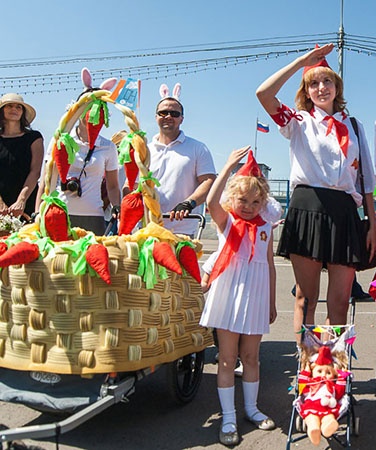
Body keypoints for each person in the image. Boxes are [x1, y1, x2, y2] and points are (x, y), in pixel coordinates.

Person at [256, 43, 376, 340]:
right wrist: (300, 61)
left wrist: (373, 225)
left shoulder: (354, 126)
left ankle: (332, 371)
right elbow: (263, 94)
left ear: (337, 87)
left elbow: (367, 181)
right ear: (306, 90)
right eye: (313, 83)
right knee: (306, 298)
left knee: (339, 302)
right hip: (307, 208)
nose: (321, 87)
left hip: (344, 212)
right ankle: (308, 370)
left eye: (327, 81)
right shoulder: (297, 122)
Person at [199, 146, 277, 446]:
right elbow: (209, 201)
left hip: (256, 294)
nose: (248, 206)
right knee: (228, 359)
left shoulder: (267, 228)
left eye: (256, 202)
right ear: (234, 198)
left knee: (251, 357)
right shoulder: (226, 222)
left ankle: (252, 409)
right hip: (229, 293)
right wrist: (229, 166)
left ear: (263, 203)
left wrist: (270, 301)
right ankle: (229, 417)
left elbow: (269, 266)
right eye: (243, 200)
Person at [146, 84, 216, 237]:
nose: (168, 116)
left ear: (182, 118)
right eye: (163, 112)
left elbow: (209, 181)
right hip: (148, 227)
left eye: (174, 113)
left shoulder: (198, 148)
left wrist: (189, 203)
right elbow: (129, 184)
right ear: (156, 116)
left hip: (182, 229)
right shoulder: (145, 150)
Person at [36, 118, 120, 236]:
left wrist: (116, 206)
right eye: (87, 108)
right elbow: (46, 181)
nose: (91, 115)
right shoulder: (59, 140)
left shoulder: (108, 147)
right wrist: (37, 213)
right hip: (60, 213)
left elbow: (113, 186)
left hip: (94, 215)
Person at [0, 93, 44, 219]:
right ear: (2, 111)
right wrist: (0, 203)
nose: (14, 109)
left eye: (18, 107)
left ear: (23, 112)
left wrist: (21, 201)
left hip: (27, 203)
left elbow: (35, 171)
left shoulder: (34, 137)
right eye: (9, 106)